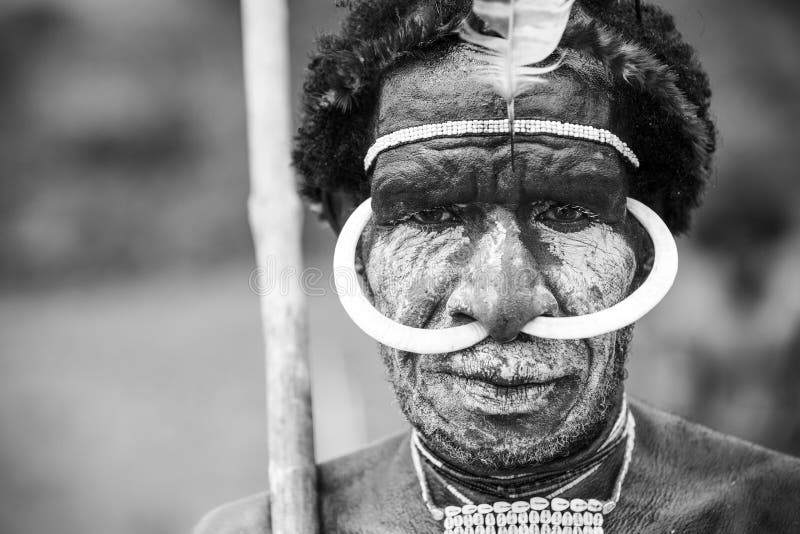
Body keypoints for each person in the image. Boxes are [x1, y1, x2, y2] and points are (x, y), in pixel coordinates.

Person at [196, 0, 800, 532]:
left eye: (566, 210)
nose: (501, 302)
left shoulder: (776, 511)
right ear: (358, 246)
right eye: (431, 216)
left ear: (645, 244)